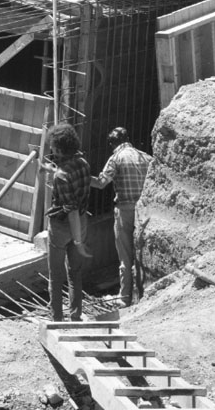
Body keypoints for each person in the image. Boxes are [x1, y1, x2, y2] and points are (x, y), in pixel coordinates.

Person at [90, 127, 150, 308]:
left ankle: (125, 297)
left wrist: (79, 176)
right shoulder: (145, 157)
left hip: (124, 211)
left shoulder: (116, 158)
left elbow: (101, 183)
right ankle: (142, 294)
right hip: (144, 211)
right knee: (142, 253)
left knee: (125, 256)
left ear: (112, 144)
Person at [39, 122, 92, 321]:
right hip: (82, 223)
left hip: (62, 227)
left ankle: (57, 319)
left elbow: (71, 211)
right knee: (75, 272)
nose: (51, 150)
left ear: (60, 148)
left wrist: (78, 243)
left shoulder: (61, 176)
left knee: (55, 274)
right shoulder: (83, 163)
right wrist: (50, 169)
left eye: (53, 147)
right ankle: (76, 315)